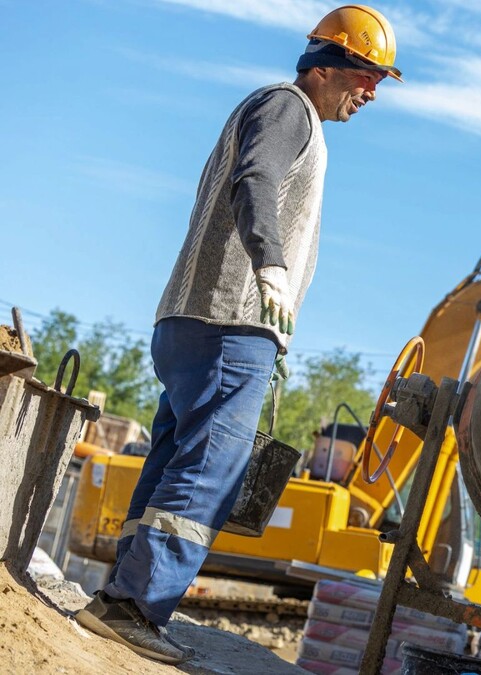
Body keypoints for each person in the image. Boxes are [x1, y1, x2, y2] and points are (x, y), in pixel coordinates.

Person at [74, 5, 403, 664]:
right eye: (368, 76)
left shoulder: (279, 111)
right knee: (210, 473)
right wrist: (272, 264)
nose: (371, 93)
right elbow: (256, 180)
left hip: (193, 320)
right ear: (330, 66)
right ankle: (135, 604)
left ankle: (120, 594)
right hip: (231, 320)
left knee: (173, 460)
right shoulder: (289, 110)